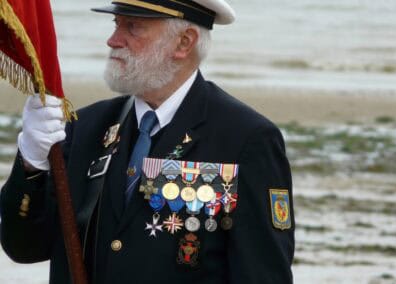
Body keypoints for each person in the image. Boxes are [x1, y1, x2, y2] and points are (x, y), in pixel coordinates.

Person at [0, 0, 295, 283]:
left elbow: (263, 274)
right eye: (117, 24)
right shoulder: (86, 127)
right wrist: (31, 163)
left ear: (184, 42)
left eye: (133, 27)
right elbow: (25, 247)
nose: (113, 40)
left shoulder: (245, 138)